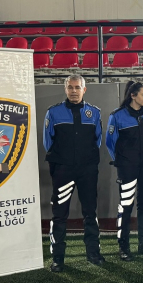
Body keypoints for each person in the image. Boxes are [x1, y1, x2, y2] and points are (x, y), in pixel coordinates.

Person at [43, 74, 104, 272]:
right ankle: (58, 258)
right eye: (70, 87)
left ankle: (93, 253)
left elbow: (97, 140)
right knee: (59, 214)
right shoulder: (53, 112)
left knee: (90, 212)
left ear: (84, 90)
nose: (74, 91)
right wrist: (63, 159)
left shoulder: (94, 113)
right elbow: (47, 142)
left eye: (77, 87)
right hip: (63, 170)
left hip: (87, 170)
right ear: (65, 89)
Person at [106, 81, 143, 262]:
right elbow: (110, 142)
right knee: (126, 205)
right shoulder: (117, 116)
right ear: (133, 95)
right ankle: (124, 246)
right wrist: (123, 161)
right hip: (127, 168)